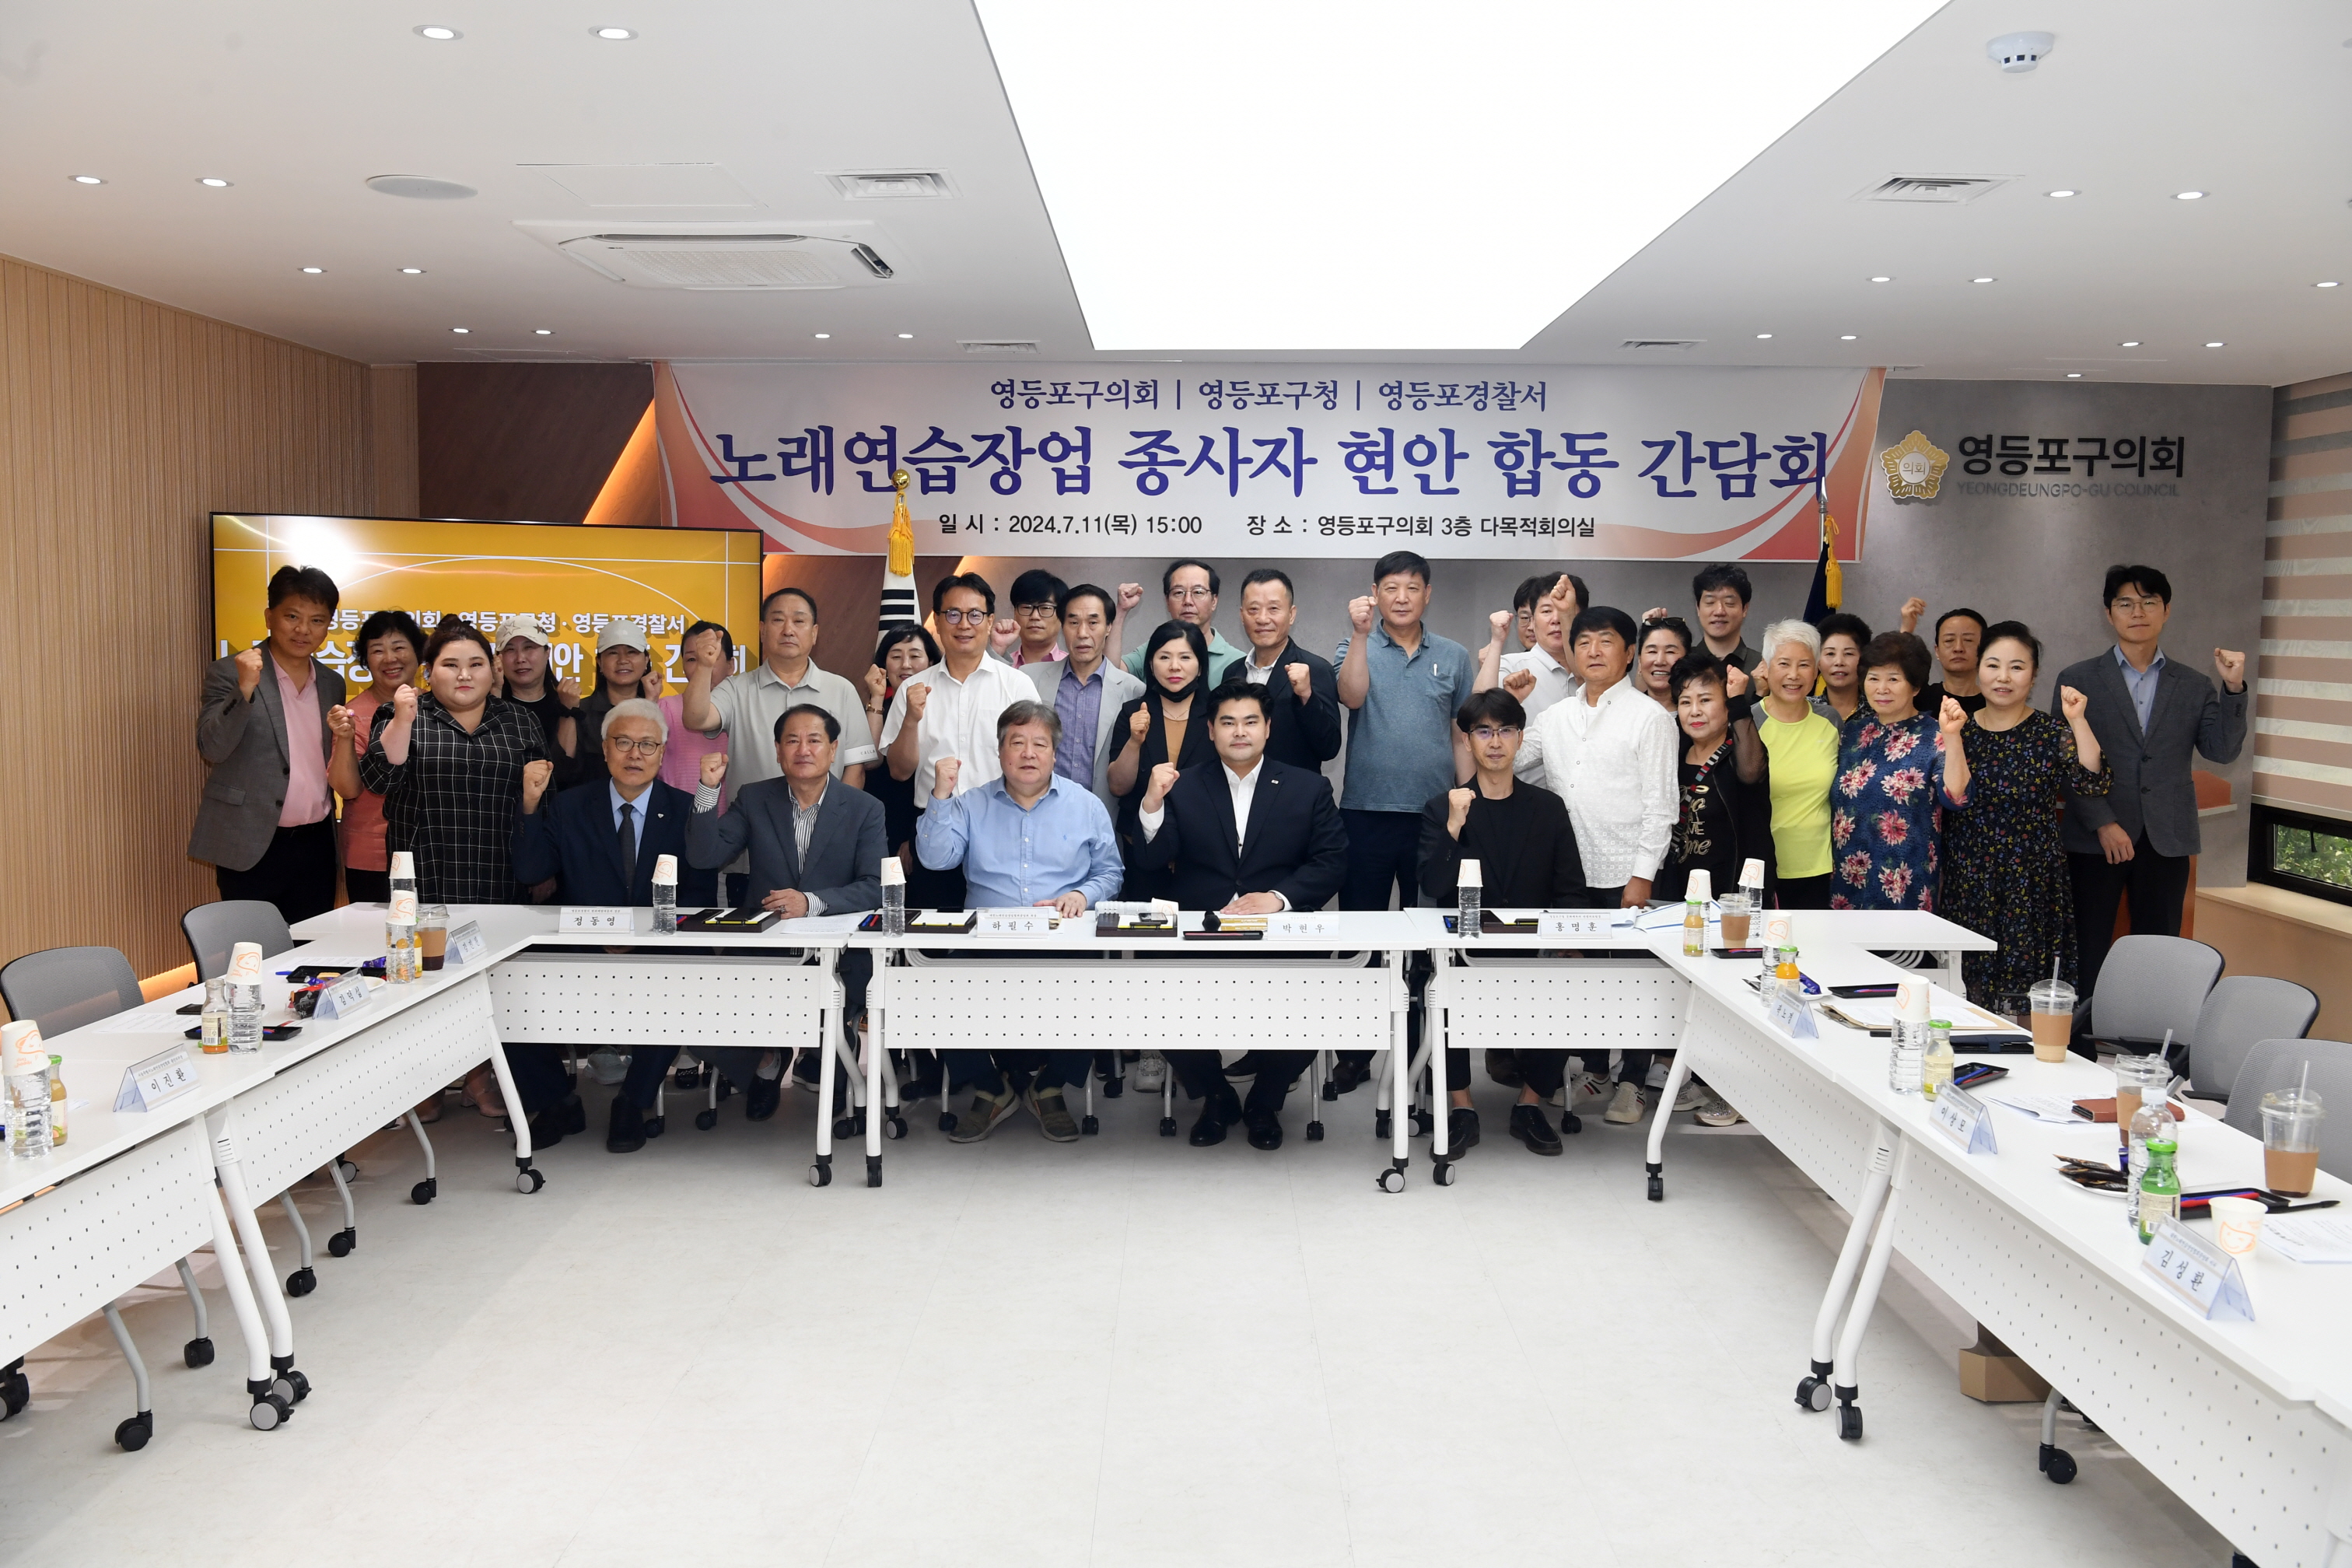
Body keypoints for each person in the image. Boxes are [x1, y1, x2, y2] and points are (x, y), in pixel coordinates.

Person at [360, 619, 560, 1136]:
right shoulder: (403, 714)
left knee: (495, 986)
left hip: (500, 877)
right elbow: (378, 778)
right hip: (427, 879)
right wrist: (403, 718)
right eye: (450, 665)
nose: (464, 675)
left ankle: (481, 1075)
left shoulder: (518, 720)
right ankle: (426, 1083)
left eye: (475, 664)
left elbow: (543, 797)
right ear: (429, 672)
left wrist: (542, 867)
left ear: (493, 671)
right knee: (426, 988)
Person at [1130, 685, 1347, 1150]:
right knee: (1156, 997)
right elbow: (1151, 861)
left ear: (1268, 728)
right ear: (1211, 731)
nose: (1239, 732)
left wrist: (1280, 898)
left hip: (1279, 931)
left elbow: (1332, 860)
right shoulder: (1184, 784)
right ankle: (1216, 1096)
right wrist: (1151, 804)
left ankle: (1265, 1102)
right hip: (1200, 931)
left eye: (1250, 722)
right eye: (1228, 722)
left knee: (1313, 1002)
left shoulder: (1308, 786)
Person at [512, 699, 729, 1152]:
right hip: (582, 947)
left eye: (647, 745)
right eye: (624, 742)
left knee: (685, 979)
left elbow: (699, 899)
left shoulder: (687, 809)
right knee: (509, 989)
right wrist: (530, 805)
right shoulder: (570, 805)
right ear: (606, 749)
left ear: (662, 752)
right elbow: (532, 872)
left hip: (659, 948)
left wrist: (641, 937)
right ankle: (556, 1102)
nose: (635, 754)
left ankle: (632, 1102)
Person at [915, 701, 1123, 1143]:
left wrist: (1081, 895)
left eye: (1039, 744)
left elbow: (1111, 872)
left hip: (1062, 937)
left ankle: (1050, 1086)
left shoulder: (1086, 805)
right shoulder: (970, 804)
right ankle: (991, 1088)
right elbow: (935, 859)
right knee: (936, 988)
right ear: (1000, 751)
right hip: (985, 938)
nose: (1028, 753)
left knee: (1100, 986)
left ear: (1054, 753)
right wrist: (940, 796)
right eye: (1017, 743)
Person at [687, 702, 889, 1131]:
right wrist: (707, 790)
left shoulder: (865, 808)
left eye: (814, 740)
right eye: (792, 741)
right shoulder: (754, 798)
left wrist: (810, 902)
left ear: (833, 749)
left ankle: (830, 1060)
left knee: (833, 1009)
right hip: (766, 948)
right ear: (778, 751)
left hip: (840, 952)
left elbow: (876, 886)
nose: (803, 749)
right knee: (700, 1006)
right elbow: (705, 857)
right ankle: (767, 1058)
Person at [2053, 564, 2248, 998]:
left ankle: (2145, 1035)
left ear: (2166, 610)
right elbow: (2065, 763)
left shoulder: (2195, 684)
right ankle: (2082, 1035)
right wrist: (2103, 822)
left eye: (2148, 602)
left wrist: (2233, 689)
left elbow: (2222, 751)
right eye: (2125, 603)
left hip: (2166, 838)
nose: (2137, 612)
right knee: (2088, 947)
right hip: (2095, 839)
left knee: (2157, 955)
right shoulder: (2077, 679)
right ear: (2109, 613)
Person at [1517, 606, 1678, 1124]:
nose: (1592, 651)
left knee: (1634, 981)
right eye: (1583, 642)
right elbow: (1508, 760)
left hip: (1625, 873)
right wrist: (1511, 708)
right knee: (1580, 977)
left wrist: (1643, 875)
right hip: (1567, 876)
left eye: (1605, 641)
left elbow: (1661, 806)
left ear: (1629, 653)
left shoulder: (1650, 718)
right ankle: (1595, 1071)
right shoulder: (1554, 717)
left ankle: (1633, 1082)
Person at [1416, 689, 1586, 1157]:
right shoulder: (1443, 807)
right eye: (1484, 732)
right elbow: (1432, 884)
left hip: (1534, 951)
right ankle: (1462, 1108)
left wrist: (1567, 944)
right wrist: (1453, 826)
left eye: (1505, 730)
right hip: (1464, 952)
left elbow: (1570, 887)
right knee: (1438, 990)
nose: (1495, 742)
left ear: (1520, 738)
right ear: (1467, 741)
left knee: (1569, 985)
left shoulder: (1547, 807)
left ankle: (1530, 1105)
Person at [1939, 623, 2111, 1010]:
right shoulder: (1959, 728)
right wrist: (1952, 737)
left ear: (2033, 676)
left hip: (2032, 880)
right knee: (1968, 990)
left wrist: (2078, 720)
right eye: (1993, 665)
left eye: (2016, 667)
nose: (2003, 677)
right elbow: (1955, 795)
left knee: (2030, 992)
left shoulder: (2050, 731)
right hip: (1971, 878)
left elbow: (2092, 782)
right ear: (1978, 670)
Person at [688, 587, 880, 902]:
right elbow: (696, 718)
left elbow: (854, 770)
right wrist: (705, 667)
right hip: (750, 853)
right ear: (762, 630)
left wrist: (831, 835)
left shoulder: (841, 689)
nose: (788, 629)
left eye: (799, 621)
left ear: (814, 633)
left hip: (828, 859)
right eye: (778, 620)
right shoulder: (736, 688)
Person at [190, 564, 346, 923]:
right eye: (292, 616)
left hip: (316, 845)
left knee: (312, 948)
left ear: (328, 626)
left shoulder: (332, 683)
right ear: (269, 617)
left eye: (317, 620)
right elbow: (211, 747)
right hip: (250, 841)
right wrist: (244, 688)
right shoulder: (230, 671)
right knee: (251, 948)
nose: (303, 629)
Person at [1334, 550, 1478, 913]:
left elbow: (1461, 734)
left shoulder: (1454, 655)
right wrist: (1360, 634)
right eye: (1391, 588)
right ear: (1374, 593)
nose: (1402, 598)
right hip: (1366, 809)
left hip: (1436, 810)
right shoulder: (1353, 647)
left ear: (1427, 594)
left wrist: (1470, 796)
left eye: (1412, 588)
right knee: (1362, 919)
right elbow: (1351, 697)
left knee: (1430, 919)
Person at [880, 573, 1034, 908]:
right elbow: (899, 771)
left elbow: (1034, 763)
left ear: (990, 621)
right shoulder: (912, 689)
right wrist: (911, 719)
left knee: (997, 923)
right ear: (936, 621)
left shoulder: (1017, 686)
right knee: (935, 926)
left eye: (975, 615)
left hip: (1000, 822)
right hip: (935, 822)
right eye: (952, 614)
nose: (964, 624)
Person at [1829, 632, 1946, 912]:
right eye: (1873, 678)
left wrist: (1953, 737)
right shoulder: (1853, 733)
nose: (1882, 688)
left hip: (1906, 883)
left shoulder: (1936, 734)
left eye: (1893, 679)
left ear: (1915, 686)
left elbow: (1958, 797)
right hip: (1847, 878)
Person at [1107, 621, 1216, 901]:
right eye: (1164, 657)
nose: (1174, 667)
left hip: (1204, 855)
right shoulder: (1133, 712)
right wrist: (1135, 741)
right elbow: (1118, 787)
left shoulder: (1218, 714)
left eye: (1185, 657)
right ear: (1151, 665)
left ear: (1200, 666)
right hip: (1142, 850)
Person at [1654, 652, 1770, 905]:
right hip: (1675, 890)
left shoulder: (1742, 753)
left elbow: (1751, 773)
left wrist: (1739, 700)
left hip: (1732, 896)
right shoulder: (1673, 753)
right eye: (1685, 702)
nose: (1695, 711)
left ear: (1726, 703)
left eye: (1705, 700)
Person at [327, 609, 424, 905]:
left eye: (399, 647)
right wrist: (345, 738)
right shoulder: (354, 713)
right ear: (366, 661)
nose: (390, 659)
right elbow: (347, 789)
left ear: (418, 653)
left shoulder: (438, 708)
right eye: (377, 650)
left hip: (430, 850)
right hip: (372, 856)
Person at [1027, 583, 1144, 812]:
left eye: (1093, 623)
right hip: (1041, 812)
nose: (1082, 633)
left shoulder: (1133, 691)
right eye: (1073, 623)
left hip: (1102, 816)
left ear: (1108, 627)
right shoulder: (1030, 679)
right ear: (1062, 626)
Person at [1751, 620, 1843, 910]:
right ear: (1766, 668)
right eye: (1784, 664)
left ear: (1816, 671)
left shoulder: (1831, 720)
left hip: (1820, 868)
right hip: (1761, 866)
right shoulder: (1748, 722)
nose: (1794, 675)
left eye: (1804, 665)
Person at [1222, 567, 1342, 773]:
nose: (1262, 619)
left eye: (1273, 609)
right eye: (1253, 609)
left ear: (1291, 614)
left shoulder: (1316, 669)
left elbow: (1329, 748)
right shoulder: (1233, 672)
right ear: (1242, 615)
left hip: (1293, 790)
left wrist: (1307, 697)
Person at [862, 625, 940, 878]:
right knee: (886, 891)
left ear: (931, 662)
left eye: (915, 656)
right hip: (882, 821)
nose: (906, 665)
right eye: (896, 656)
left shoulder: (942, 707)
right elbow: (871, 760)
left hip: (921, 822)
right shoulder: (877, 706)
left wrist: (913, 836)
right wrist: (876, 698)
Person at [558, 620, 669, 791]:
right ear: (600, 662)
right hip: (589, 803)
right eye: (613, 653)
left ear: (646, 660)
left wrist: (650, 704)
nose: (623, 660)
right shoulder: (581, 711)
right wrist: (568, 711)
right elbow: (563, 771)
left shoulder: (664, 710)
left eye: (632, 652)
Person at [1474, 571, 1584, 724]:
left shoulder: (1597, 666)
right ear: (1533, 620)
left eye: (1565, 611)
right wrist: (1497, 641)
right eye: (1546, 611)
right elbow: (1479, 712)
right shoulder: (1510, 666)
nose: (1556, 619)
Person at [1119, 559, 1245, 687]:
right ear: (1167, 601)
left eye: (1198, 592)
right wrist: (1121, 611)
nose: (1188, 601)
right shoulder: (1157, 648)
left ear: (1214, 601)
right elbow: (1112, 673)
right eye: (1179, 592)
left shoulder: (1238, 662)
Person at [491, 617, 580, 783]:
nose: (520, 658)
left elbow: (565, 772)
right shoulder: (487, 706)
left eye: (529, 648)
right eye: (510, 650)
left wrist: (568, 711)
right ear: (498, 658)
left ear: (547, 653)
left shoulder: (567, 702)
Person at [655, 618, 734, 807]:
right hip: (677, 816)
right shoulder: (665, 708)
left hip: (733, 818)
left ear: (731, 665)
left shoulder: (741, 707)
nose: (702, 665)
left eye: (712, 656)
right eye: (692, 659)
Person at [1921, 608, 1990, 717]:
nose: (1958, 648)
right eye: (1949, 640)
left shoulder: (1994, 703)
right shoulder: (1920, 699)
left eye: (1968, 640)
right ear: (1937, 651)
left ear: (1984, 649)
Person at [1692, 563, 1759, 671]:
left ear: (1745, 609)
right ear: (1698, 608)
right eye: (1710, 602)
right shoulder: (1681, 664)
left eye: (1729, 603)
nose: (1719, 611)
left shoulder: (1761, 666)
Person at [1812, 612, 1873, 725]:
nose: (1839, 662)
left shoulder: (1879, 711)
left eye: (1848, 654)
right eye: (1830, 654)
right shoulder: (1804, 710)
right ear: (1818, 661)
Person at [1002, 569, 1067, 667]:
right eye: (1026, 607)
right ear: (1015, 613)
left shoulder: (1074, 669)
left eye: (1045, 608)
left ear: (1061, 615)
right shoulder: (1002, 666)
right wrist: (998, 649)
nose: (1035, 616)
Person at [1633, 615, 1692, 712]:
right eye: (1652, 651)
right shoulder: (1626, 712)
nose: (1659, 661)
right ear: (1639, 661)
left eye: (1670, 652)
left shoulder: (1697, 713)